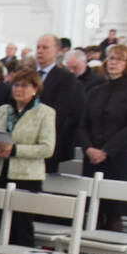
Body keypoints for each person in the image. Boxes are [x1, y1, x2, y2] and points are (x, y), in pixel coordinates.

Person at [0, 67, 55, 247]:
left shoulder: (45, 113)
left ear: (35, 89)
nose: (18, 89)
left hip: (27, 177)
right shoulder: (3, 110)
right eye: (15, 85)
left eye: (24, 85)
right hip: (1, 173)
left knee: (21, 227)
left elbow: (47, 149)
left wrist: (14, 150)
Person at [80, 44, 127, 230]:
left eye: (119, 59)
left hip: (119, 157)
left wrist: (106, 151)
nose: (113, 63)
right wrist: (89, 149)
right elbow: (83, 125)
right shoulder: (96, 91)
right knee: (92, 209)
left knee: (114, 211)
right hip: (93, 158)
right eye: (111, 58)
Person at [34, 34, 85, 173]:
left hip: (48, 141)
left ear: (57, 51)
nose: (40, 51)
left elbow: (60, 112)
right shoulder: (30, 74)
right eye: (38, 47)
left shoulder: (66, 78)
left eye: (45, 47)